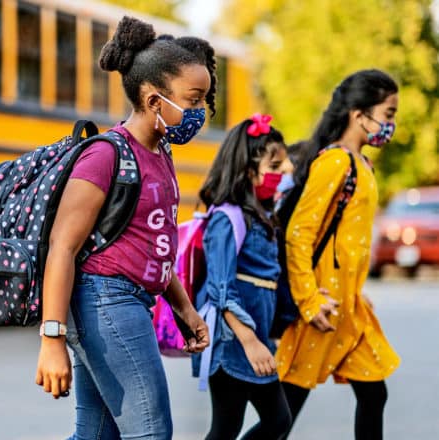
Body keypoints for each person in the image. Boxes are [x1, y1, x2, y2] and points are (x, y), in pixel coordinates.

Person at [34, 16, 213, 440]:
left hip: (130, 301)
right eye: (193, 100)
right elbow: (62, 247)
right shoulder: (105, 155)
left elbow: (155, 247)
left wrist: (184, 309)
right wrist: (51, 339)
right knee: (150, 432)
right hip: (104, 301)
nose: (200, 112)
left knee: (96, 437)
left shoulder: (161, 155)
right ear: (154, 101)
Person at [250, 69, 401, 440]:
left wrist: (354, 288)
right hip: (321, 308)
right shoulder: (335, 163)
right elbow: (300, 233)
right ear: (358, 115)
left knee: (373, 391)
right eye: (389, 113)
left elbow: (344, 242)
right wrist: (309, 300)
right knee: (282, 416)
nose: (391, 124)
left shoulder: (361, 164)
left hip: (348, 308)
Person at [192, 114, 292, 440]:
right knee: (258, 422)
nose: (287, 171)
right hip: (233, 341)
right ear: (249, 172)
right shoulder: (227, 218)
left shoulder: (263, 218)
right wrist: (251, 342)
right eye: (276, 167)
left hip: (253, 339)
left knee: (247, 424)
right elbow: (222, 288)